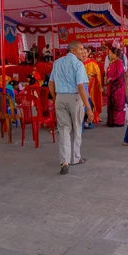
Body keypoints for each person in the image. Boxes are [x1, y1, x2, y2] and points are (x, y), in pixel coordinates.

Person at [49, 40, 93, 175]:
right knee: (77, 128)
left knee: (64, 130)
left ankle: (65, 161)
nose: (83, 52)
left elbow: (51, 83)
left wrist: (57, 98)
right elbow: (81, 87)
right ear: (72, 50)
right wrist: (88, 108)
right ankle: (75, 158)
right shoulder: (78, 64)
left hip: (60, 97)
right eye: (80, 49)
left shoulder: (57, 63)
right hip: (74, 98)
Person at [105, 47, 126, 127]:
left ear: (115, 54)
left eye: (110, 53)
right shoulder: (112, 62)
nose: (109, 55)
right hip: (111, 86)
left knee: (118, 103)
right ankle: (112, 121)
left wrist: (111, 79)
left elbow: (118, 73)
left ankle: (118, 121)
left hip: (118, 86)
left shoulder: (119, 62)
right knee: (111, 103)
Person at [83, 53, 103, 124]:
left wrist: (90, 76)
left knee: (93, 100)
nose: (84, 54)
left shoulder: (92, 62)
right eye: (82, 53)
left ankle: (95, 116)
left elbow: (97, 73)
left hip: (93, 85)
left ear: (88, 52)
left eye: (85, 52)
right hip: (83, 85)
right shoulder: (79, 63)